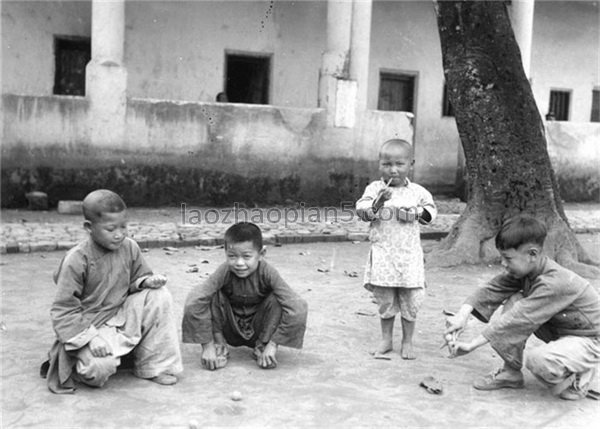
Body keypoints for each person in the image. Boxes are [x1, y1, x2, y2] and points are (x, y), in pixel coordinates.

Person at [40, 189, 183, 393]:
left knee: (160, 296)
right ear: (89, 227)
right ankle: (81, 360)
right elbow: (63, 311)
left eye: (124, 226)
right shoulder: (76, 260)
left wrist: (146, 282)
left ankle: (152, 366)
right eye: (111, 229)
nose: (120, 234)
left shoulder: (130, 247)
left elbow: (136, 279)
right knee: (99, 369)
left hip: (121, 315)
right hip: (89, 326)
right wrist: (91, 338)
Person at [444, 215, 600, 400]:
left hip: (590, 339)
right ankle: (510, 372)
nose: (503, 264)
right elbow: (492, 289)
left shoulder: (555, 282)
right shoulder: (527, 270)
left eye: (508, 258)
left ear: (532, 254)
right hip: (560, 329)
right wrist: (461, 316)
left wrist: (472, 344)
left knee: (539, 361)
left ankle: (579, 374)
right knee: (516, 300)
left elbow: (518, 318)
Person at [182, 222, 308, 370]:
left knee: (278, 299)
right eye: (232, 256)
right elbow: (194, 301)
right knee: (211, 294)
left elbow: (297, 307)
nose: (239, 263)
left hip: (260, 329)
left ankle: (263, 346)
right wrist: (207, 345)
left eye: (247, 256)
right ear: (225, 252)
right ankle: (219, 345)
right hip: (229, 328)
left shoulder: (268, 272)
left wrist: (273, 344)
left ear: (261, 254)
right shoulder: (224, 271)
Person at [356, 139, 437, 360]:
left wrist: (416, 214)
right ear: (379, 164)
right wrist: (378, 204)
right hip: (383, 255)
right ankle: (386, 339)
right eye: (387, 164)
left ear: (410, 164)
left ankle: (407, 340)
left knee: (411, 298)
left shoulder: (417, 191)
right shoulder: (375, 189)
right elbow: (362, 211)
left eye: (399, 164)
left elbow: (431, 212)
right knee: (385, 298)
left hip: (409, 256)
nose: (393, 169)